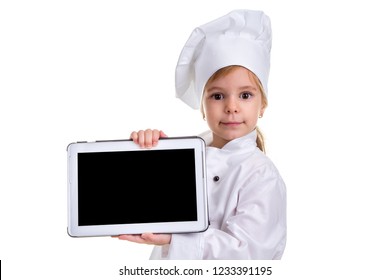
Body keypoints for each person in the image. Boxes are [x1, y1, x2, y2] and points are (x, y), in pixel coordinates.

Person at [114, 9, 287, 260]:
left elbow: (252, 255)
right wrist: (146, 153)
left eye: (245, 95)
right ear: (202, 107)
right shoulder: (181, 159)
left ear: (263, 106)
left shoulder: (261, 175)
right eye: (217, 96)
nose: (231, 106)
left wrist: (177, 240)